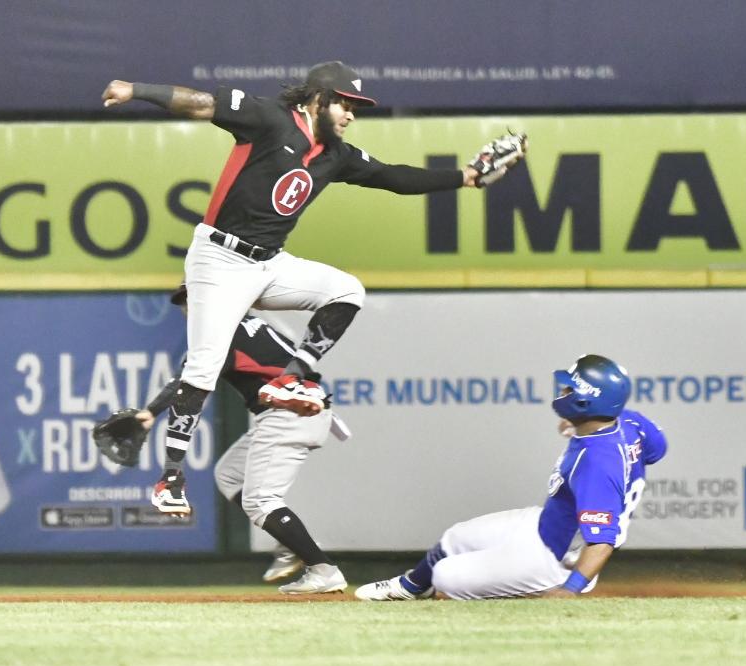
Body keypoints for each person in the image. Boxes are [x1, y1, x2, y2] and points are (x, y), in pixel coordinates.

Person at [100, 61, 525, 517]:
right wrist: (135, 89)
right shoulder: (267, 118)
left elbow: (394, 178)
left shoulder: (334, 155)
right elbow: (201, 103)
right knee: (203, 369)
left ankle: (289, 378)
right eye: (345, 103)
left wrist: (465, 176)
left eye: (355, 107)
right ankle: (171, 480)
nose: (350, 114)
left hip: (269, 263)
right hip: (218, 259)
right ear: (318, 100)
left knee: (346, 290)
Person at [354, 354, 668, 600]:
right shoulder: (627, 420)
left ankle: (534, 589)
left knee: (447, 578)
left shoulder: (598, 462)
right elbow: (656, 449)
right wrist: (578, 424)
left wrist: (570, 589)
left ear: (587, 402)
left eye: (570, 388)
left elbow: (602, 542)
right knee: (455, 537)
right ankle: (411, 586)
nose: (563, 392)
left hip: (556, 560)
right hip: (546, 524)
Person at [137, 283, 350, 594]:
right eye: (186, 304)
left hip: (289, 414)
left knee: (261, 501)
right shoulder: (252, 324)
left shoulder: (221, 334)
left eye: (194, 301)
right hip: (300, 409)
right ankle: (290, 544)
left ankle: (323, 569)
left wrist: (150, 412)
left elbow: (189, 384)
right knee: (229, 474)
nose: (188, 310)